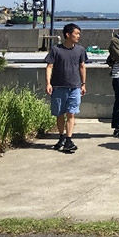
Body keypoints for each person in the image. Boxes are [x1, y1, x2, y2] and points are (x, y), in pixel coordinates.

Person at [45, 23, 88, 153]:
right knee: (59, 114)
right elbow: (49, 67)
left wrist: (83, 83)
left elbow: (82, 66)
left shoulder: (80, 50)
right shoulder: (56, 49)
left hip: (74, 87)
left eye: (79, 34)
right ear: (68, 35)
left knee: (71, 113)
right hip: (58, 87)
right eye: (76, 33)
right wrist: (48, 83)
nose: (78, 36)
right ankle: (61, 136)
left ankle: (69, 139)